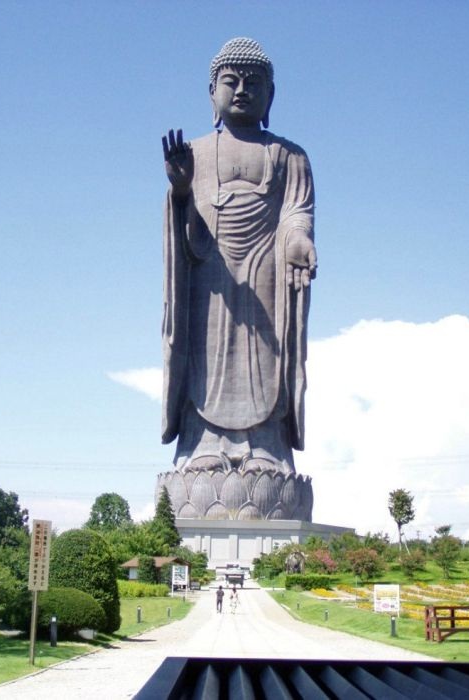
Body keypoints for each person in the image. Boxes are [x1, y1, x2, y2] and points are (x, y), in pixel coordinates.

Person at [161, 38, 316, 475]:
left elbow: (297, 211)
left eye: (254, 83)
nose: (243, 90)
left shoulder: (290, 157)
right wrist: (180, 190)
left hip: (267, 272)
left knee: (266, 354)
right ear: (212, 92)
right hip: (209, 275)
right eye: (231, 81)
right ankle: (202, 443)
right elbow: (187, 228)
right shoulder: (193, 153)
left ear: (271, 94)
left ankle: (265, 446)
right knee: (203, 356)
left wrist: (299, 238)